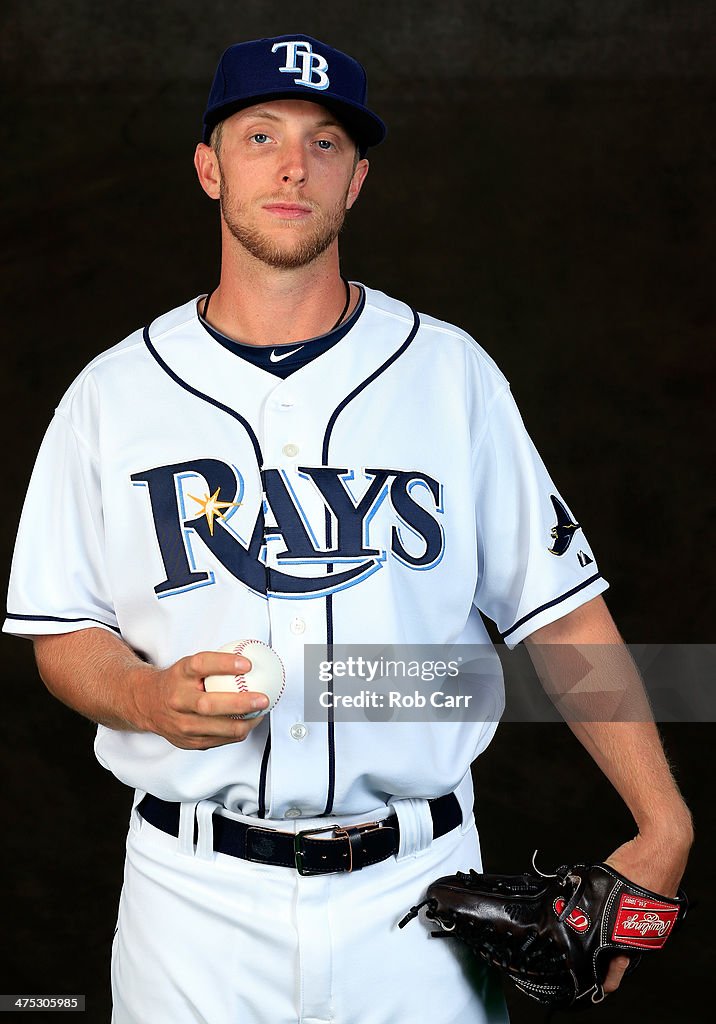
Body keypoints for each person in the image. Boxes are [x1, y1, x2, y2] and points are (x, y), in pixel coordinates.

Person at [4, 33, 692, 1024]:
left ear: (356, 182)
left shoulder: (448, 375)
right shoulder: (111, 395)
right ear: (209, 167)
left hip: (414, 900)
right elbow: (61, 630)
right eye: (259, 135)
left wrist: (662, 819)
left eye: (325, 144)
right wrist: (145, 694)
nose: (292, 165)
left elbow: (561, 617)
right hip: (189, 905)